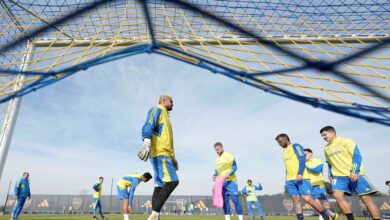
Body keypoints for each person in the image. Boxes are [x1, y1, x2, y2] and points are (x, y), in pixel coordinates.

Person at [320, 126, 381, 220]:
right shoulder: (326, 148)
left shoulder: (346, 141)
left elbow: (356, 156)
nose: (323, 137)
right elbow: (329, 163)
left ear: (333, 133)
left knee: (366, 198)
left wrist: (355, 171)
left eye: (325, 134)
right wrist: (330, 174)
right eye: (322, 136)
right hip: (338, 176)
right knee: (337, 195)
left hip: (354, 173)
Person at [137, 95, 179, 220]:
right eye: (171, 101)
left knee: (159, 185)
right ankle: (155, 214)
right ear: (163, 101)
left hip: (162, 154)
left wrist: (173, 159)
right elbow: (149, 123)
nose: (173, 104)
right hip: (160, 153)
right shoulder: (157, 109)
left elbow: (168, 141)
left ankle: (156, 215)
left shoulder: (166, 116)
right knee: (172, 181)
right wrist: (146, 142)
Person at [275, 134, 330, 220]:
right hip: (290, 180)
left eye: (280, 141)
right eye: (278, 143)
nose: (279, 144)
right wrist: (286, 179)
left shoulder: (296, 146)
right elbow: (287, 167)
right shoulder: (284, 152)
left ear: (286, 139)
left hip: (302, 177)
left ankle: (325, 216)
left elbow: (302, 159)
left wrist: (300, 173)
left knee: (307, 198)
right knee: (296, 200)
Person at [212, 142, 244, 220]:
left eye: (218, 149)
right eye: (216, 150)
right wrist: (214, 174)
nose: (217, 151)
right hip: (222, 183)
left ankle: (240, 218)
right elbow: (217, 170)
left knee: (235, 200)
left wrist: (228, 174)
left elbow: (235, 167)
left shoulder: (229, 155)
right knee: (225, 202)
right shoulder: (217, 159)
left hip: (231, 182)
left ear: (222, 147)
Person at [304, 148, 337, 220]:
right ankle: (331, 216)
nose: (304, 156)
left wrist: (306, 167)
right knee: (317, 205)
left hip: (318, 184)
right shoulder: (304, 163)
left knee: (324, 203)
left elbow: (317, 170)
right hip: (310, 186)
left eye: (305, 154)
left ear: (310, 154)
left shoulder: (317, 160)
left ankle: (331, 216)